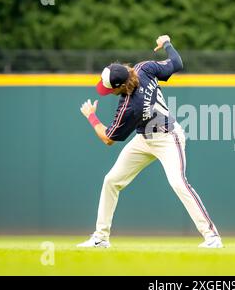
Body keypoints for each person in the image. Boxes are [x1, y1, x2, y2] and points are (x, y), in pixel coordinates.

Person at [77, 35, 223, 248]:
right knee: (111, 181)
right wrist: (166, 44)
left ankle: (212, 237)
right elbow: (177, 63)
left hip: (167, 137)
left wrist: (91, 116)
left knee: (178, 183)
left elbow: (108, 139)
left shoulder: (129, 106)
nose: (109, 92)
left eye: (110, 89)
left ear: (119, 86)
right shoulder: (143, 68)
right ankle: (100, 238)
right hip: (144, 139)